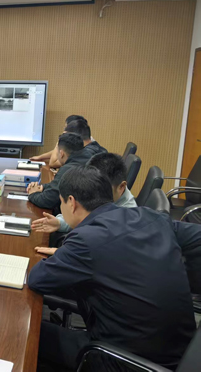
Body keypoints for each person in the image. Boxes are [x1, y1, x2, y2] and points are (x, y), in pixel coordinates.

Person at [28, 166, 195, 371]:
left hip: (123, 360)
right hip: (181, 353)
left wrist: (67, 254)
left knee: (28, 330)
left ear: (71, 202)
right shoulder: (152, 217)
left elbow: (37, 279)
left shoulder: (86, 240)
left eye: (60, 203)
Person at [32, 153, 135, 245]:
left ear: (121, 187)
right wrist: (59, 222)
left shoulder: (127, 218)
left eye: (104, 188)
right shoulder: (101, 194)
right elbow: (83, 214)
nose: (95, 193)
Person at [27, 133, 92, 210]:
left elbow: (48, 200)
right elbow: (58, 186)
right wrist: (42, 187)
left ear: (61, 154)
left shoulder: (68, 170)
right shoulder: (89, 159)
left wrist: (33, 193)